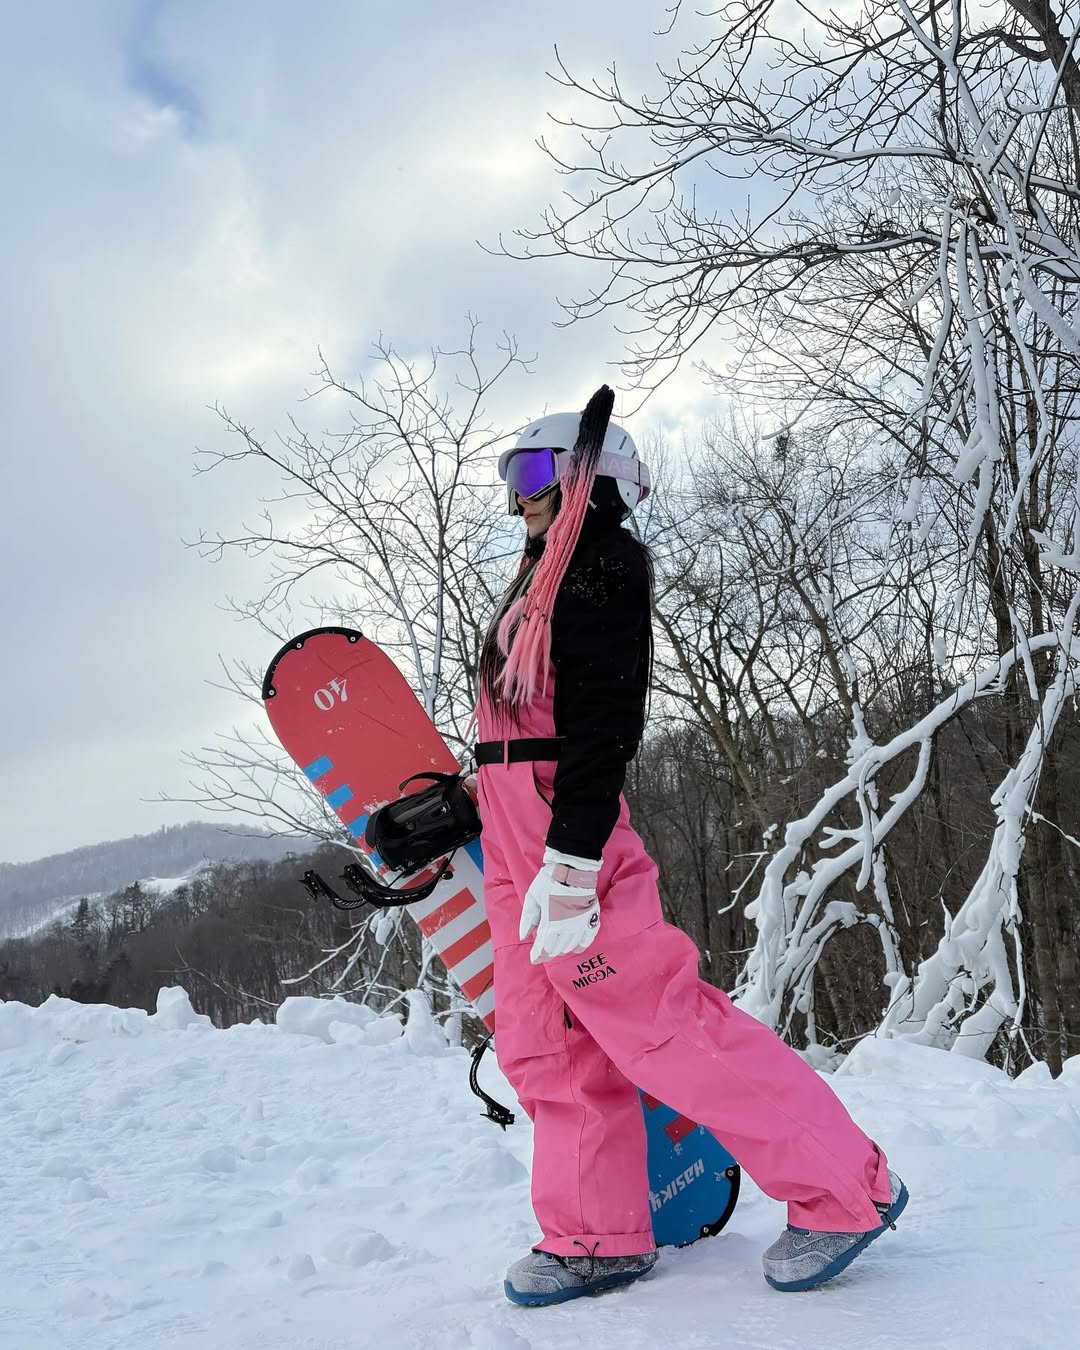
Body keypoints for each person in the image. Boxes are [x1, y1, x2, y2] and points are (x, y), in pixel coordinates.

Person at [472, 386, 907, 1308]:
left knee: (662, 1028)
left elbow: (602, 726)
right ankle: (594, 1235)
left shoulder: (601, 566)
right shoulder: (539, 577)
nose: (522, 495)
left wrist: (574, 857)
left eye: (539, 471)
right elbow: (518, 727)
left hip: (564, 833)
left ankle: (844, 1188)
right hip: (515, 835)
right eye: (513, 476)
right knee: (545, 1041)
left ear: (592, 478)